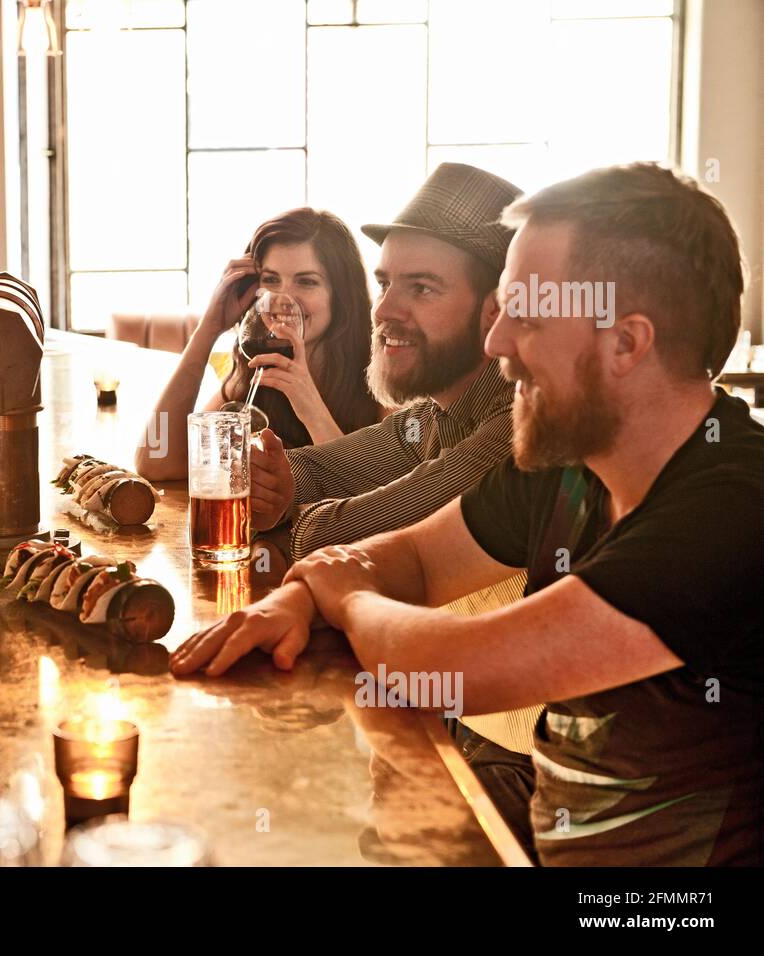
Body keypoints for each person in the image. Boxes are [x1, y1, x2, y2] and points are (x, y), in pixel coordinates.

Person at [173, 162, 763, 866]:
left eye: (528, 315)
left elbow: (460, 667)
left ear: (626, 343)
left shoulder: (730, 507)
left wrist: (345, 594)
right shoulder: (569, 462)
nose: (497, 344)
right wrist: (306, 593)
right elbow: (416, 558)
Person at [247, 164, 522, 563]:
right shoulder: (430, 415)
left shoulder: (518, 423)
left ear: (496, 310)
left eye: (422, 288)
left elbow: (335, 539)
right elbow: (314, 469)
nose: (384, 310)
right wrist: (277, 485)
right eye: (384, 284)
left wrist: (282, 516)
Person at [134, 208, 379, 481]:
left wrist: (306, 399)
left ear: (341, 294)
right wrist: (209, 329)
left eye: (307, 281)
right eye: (271, 280)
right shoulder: (255, 372)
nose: (283, 298)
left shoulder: (381, 377)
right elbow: (154, 461)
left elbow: (373, 499)